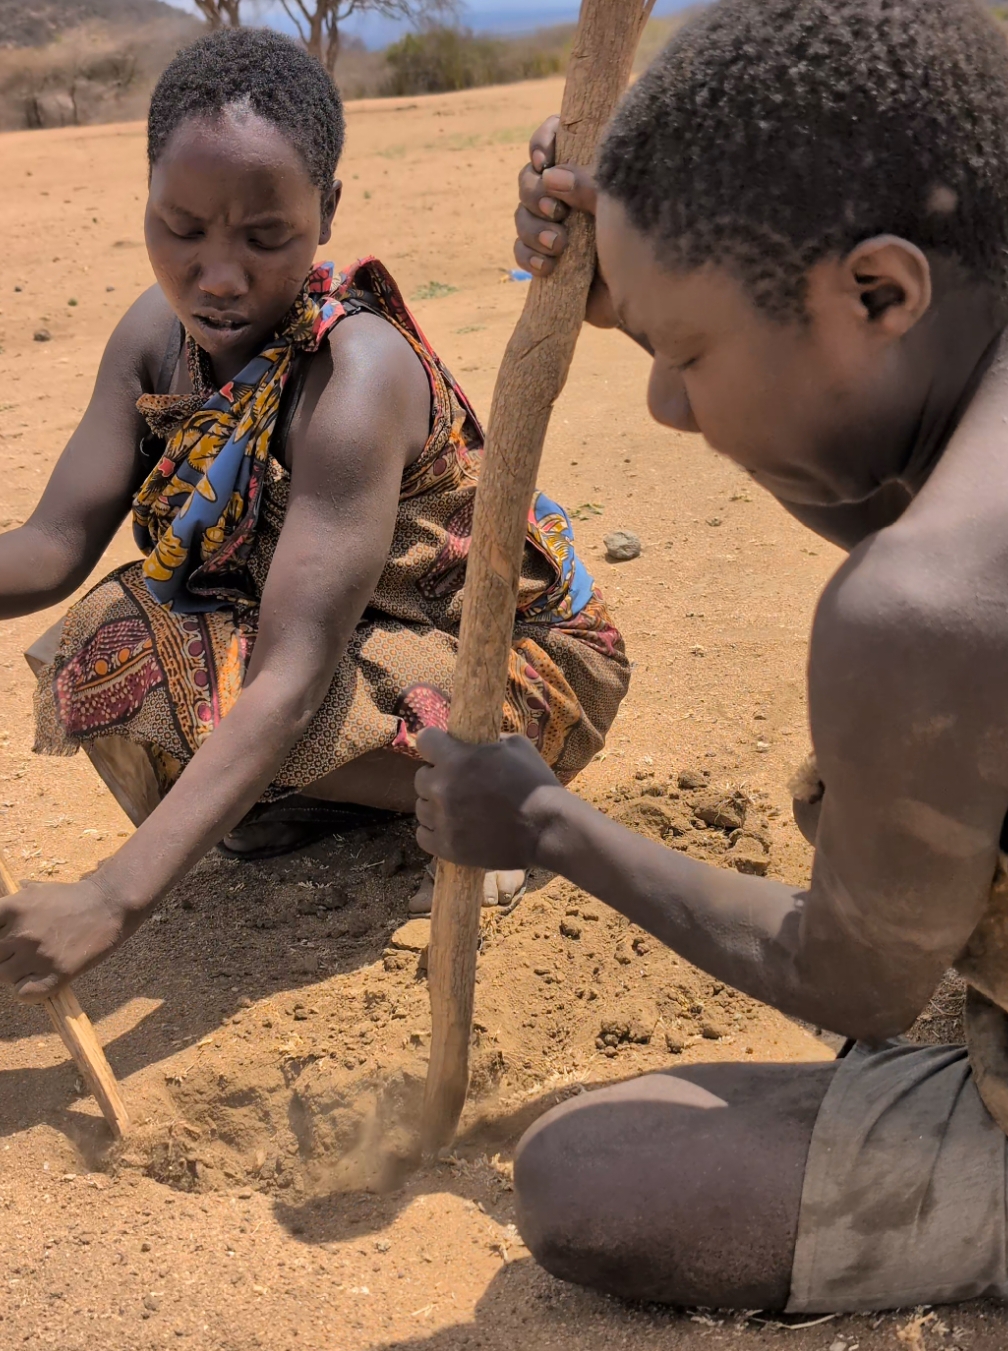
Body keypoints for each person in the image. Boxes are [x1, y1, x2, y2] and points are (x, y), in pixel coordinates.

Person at [414, 0, 1008, 1312]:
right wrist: (641, 283)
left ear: (879, 290)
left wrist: (546, 823)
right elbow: (894, 471)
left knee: (591, 1170)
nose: (666, 405)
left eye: (684, 352)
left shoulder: (919, 609)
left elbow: (851, 979)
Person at [0, 28, 629, 997]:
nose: (218, 274)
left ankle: (500, 818)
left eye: (264, 237)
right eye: (183, 227)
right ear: (149, 199)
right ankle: (338, 806)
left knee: (229, 697)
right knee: (108, 637)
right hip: (358, 647)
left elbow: (291, 676)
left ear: (326, 212)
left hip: (504, 663)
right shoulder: (150, 340)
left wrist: (114, 897)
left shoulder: (353, 378)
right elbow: (49, 547)